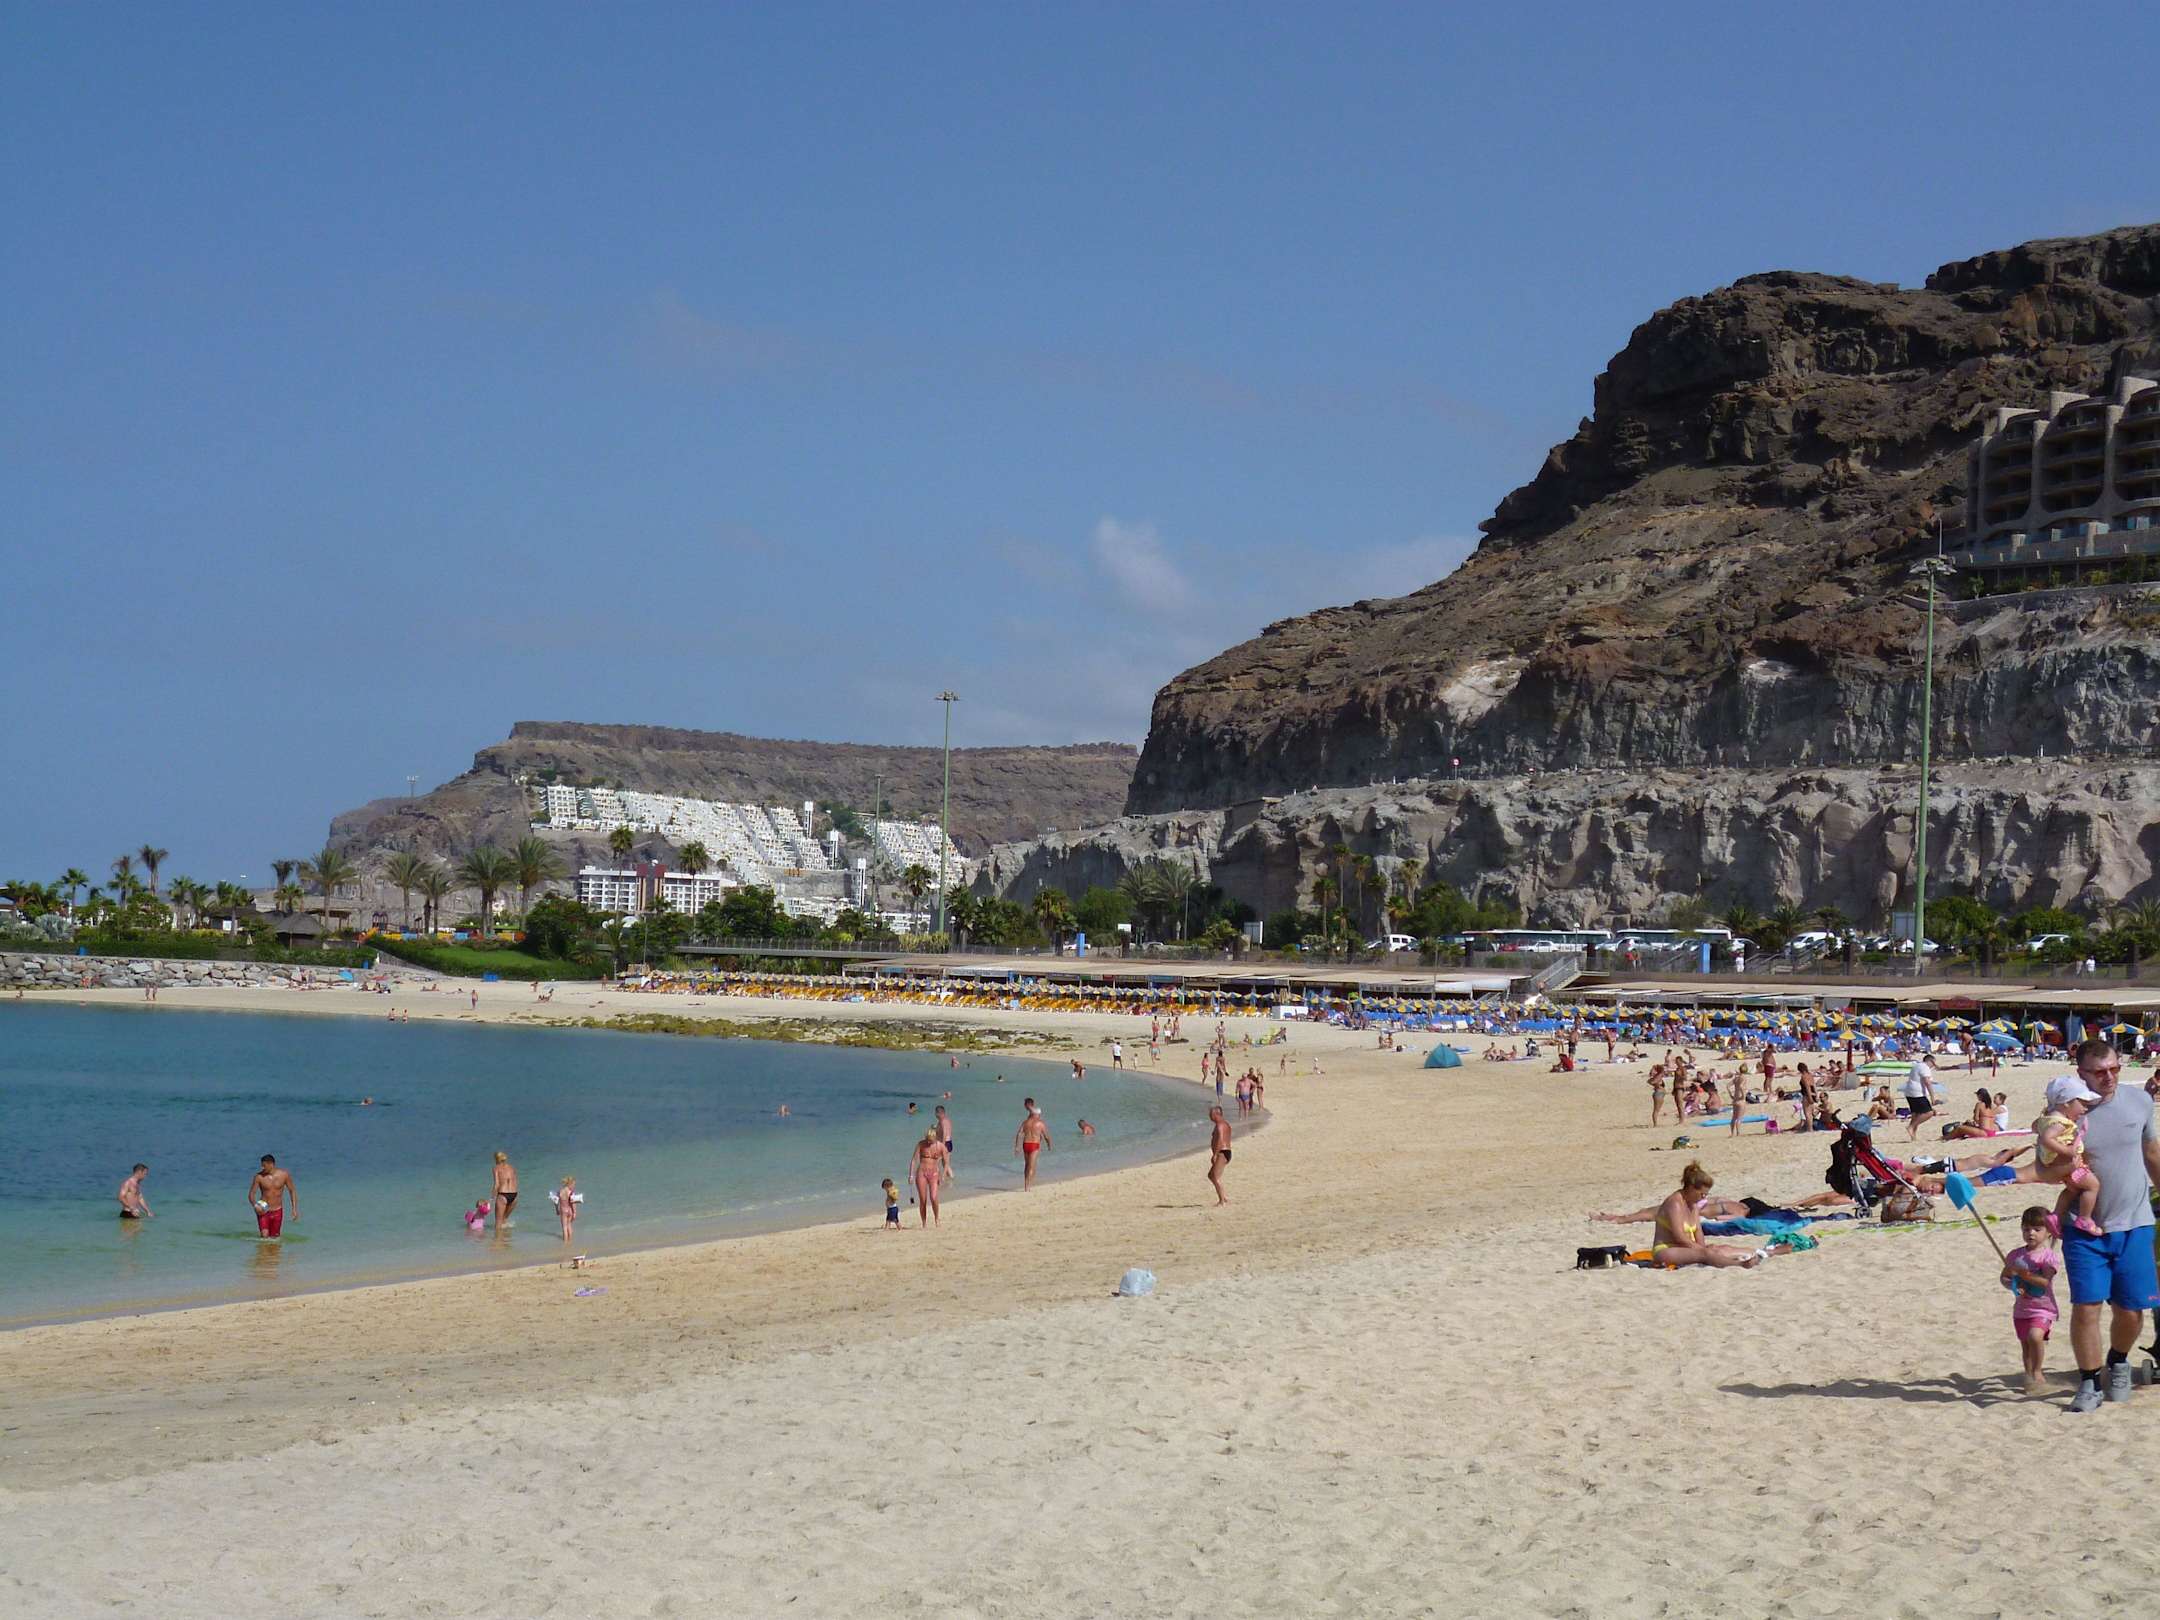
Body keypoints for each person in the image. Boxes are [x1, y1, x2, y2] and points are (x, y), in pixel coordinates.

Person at [2053, 1040, 2160, 1412]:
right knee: (2087, 1307)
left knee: (2131, 1311)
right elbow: (2048, 1165)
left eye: (2115, 1068)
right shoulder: (2067, 1115)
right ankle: (2088, 1382)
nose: (2109, 1077)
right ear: (2080, 1073)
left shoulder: (2140, 1102)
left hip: (2135, 1223)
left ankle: (2117, 1360)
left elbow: (2151, 1154)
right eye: (2099, 1072)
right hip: (2085, 1228)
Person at [1649, 1163, 1768, 1268]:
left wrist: (1703, 1247)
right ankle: (1740, 1265)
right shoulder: (1675, 1203)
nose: (1704, 1198)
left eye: (1706, 1195)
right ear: (1691, 1188)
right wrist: (1702, 1250)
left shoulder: (1693, 1205)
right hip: (1666, 1250)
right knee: (1706, 1253)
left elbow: (1698, 1232)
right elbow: (1679, 1237)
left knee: (1719, 1249)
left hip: (1686, 1248)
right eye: (1702, 1194)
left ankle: (1760, 1253)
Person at [2031, 1076, 2106, 1238]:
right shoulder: (2060, 1123)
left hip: (2053, 1164)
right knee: (2092, 1186)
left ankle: (2056, 1215)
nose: (2085, 1109)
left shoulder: (2047, 1119)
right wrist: (2068, 1151)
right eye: (2082, 1104)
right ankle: (2085, 1218)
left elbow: (2034, 1127)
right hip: (2067, 1163)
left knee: (2072, 1190)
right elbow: (2047, 1139)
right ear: (2066, 1103)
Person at [2002, 1206, 2062, 1396]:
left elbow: (2044, 1282)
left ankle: (2037, 1371)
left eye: (2037, 1229)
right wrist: (2013, 1285)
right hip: (2022, 1309)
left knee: (2035, 1337)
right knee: (2026, 1345)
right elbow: (2005, 1277)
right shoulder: (2015, 1255)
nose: (2031, 1233)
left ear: (2048, 1232)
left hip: (2043, 1308)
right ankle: (2029, 1376)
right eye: (2026, 1229)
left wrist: (2024, 1274)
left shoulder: (2048, 1257)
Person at [248, 1154, 297, 1239]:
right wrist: (255, 1205)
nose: (262, 1168)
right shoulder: (259, 1177)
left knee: (275, 1238)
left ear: (271, 1164)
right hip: (264, 1210)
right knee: (264, 1236)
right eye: (262, 1165)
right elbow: (251, 1194)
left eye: (264, 1166)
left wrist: (294, 1209)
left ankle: (273, 1248)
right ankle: (263, 1248)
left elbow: (292, 1191)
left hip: (277, 1210)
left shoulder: (284, 1175)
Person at [910, 1129, 947, 1226]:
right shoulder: (921, 1144)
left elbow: (946, 1162)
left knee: (933, 1197)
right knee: (923, 1200)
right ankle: (924, 1222)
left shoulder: (941, 1146)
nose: (928, 1142)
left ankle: (937, 1218)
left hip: (934, 1174)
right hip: (921, 1173)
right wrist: (911, 1175)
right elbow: (914, 1160)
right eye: (927, 1139)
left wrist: (943, 1175)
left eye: (930, 1140)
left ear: (935, 1138)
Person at [1015, 1103, 1051, 1190]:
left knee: (1027, 1165)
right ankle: (1029, 1185)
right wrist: (1049, 1145)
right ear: (1037, 1114)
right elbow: (1046, 1136)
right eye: (1039, 1115)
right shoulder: (1040, 1123)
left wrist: (1017, 1146)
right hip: (1034, 1145)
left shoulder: (1025, 1122)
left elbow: (1019, 1134)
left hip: (1025, 1144)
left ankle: (1026, 1184)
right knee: (1032, 1166)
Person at [1903, 1056, 1936, 1140]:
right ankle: (1911, 1127)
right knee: (1929, 1113)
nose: (1933, 1065)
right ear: (1930, 1061)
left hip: (1909, 1091)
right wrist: (1932, 1097)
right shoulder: (1925, 1067)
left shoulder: (1917, 1065)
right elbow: (1927, 1082)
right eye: (1933, 1063)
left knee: (1916, 1114)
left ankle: (1913, 1136)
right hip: (1917, 1093)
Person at [1207, 1105, 1232, 1206]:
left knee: (1215, 1177)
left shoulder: (1220, 1125)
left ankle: (1222, 1201)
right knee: (1211, 1175)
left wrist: (1215, 1154)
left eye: (1210, 1114)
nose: (1209, 1116)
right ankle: (1223, 1198)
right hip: (1224, 1152)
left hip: (1222, 1152)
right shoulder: (1223, 1124)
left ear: (1215, 1114)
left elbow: (1220, 1140)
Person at [491, 1150, 518, 1230]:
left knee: (498, 1224)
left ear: (496, 1159)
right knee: (504, 1219)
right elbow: (515, 1182)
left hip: (503, 1194)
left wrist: (491, 1198)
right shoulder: (512, 1168)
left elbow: (496, 1184)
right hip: (514, 1195)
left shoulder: (496, 1168)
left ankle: (498, 1238)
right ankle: (506, 1237)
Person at [553, 1175, 580, 1242]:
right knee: (569, 1225)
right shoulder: (570, 1192)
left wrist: (557, 1210)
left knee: (564, 1227)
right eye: (573, 1185)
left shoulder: (560, 1192)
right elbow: (573, 1203)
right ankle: (570, 1241)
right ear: (569, 1184)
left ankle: (565, 1242)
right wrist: (574, 1212)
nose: (573, 1187)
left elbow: (555, 1201)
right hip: (570, 1210)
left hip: (563, 1211)